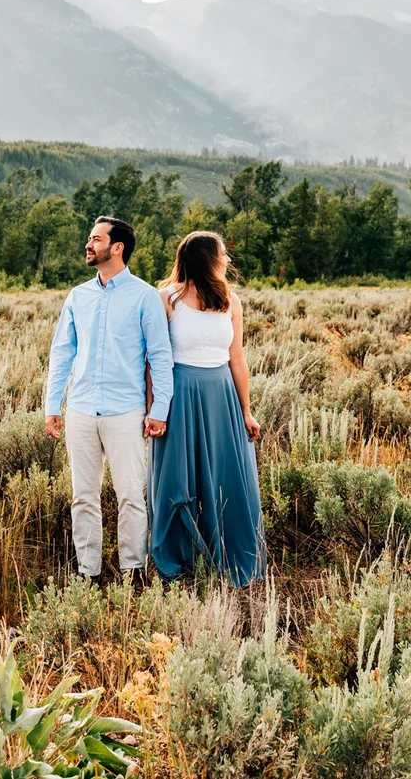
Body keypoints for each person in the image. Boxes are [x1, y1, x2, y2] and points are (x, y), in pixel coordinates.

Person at [45, 216, 173, 587]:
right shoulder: (78, 296)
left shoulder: (144, 296)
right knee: (83, 496)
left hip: (125, 411)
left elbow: (160, 357)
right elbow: (62, 353)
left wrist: (159, 410)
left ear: (116, 248)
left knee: (131, 495)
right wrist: (53, 405)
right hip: (82, 410)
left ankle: (134, 572)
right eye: (90, 238)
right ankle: (89, 573)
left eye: (96, 239)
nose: (88, 244)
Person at [149, 230, 266, 586]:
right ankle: (179, 557)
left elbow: (237, 359)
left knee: (227, 475)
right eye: (222, 254)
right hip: (180, 393)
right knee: (177, 476)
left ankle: (226, 553)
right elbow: (152, 359)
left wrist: (246, 410)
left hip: (222, 396)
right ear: (205, 259)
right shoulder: (166, 298)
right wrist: (154, 408)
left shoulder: (231, 301)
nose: (227, 260)